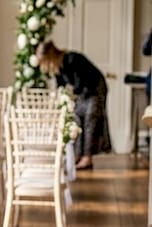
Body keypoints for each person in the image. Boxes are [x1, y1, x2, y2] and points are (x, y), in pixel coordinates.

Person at [35, 39, 112, 170]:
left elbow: (78, 84)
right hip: (83, 91)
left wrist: (70, 96)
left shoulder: (72, 59)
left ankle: (87, 158)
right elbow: (61, 87)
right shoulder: (58, 68)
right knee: (77, 119)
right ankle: (77, 155)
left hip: (95, 87)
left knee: (91, 119)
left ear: (50, 55)